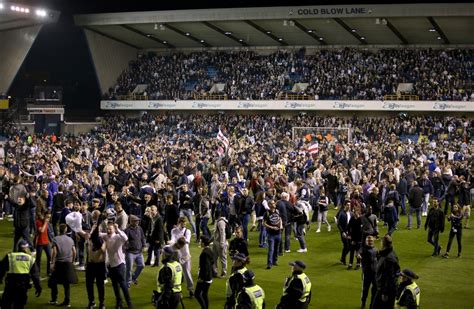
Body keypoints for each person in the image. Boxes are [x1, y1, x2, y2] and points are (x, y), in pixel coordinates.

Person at [0, 240, 41, 309]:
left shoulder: (10, 256)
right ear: (26, 248)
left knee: (6, 305)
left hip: (10, 285)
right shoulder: (30, 259)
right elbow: (35, 275)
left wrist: (0, 279)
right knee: (19, 305)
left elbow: (1, 269)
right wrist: (38, 287)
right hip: (22, 286)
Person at [101, 221, 134, 309]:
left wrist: (118, 229)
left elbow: (126, 237)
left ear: (114, 229)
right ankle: (119, 303)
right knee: (115, 286)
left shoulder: (118, 237)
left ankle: (129, 303)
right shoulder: (105, 236)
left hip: (120, 265)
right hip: (111, 265)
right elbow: (97, 234)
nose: (108, 230)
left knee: (123, 285)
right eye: (107, 228)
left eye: (110, 229)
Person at [49, 223, 78, 307]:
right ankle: (67, 301)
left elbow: (54, 251)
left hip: (59, 263)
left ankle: (54, 299)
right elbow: (74, 251)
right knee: (66, 284)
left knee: (53, 282)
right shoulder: (70, 239)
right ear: (66, 230)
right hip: (68, 263)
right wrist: (72, 261)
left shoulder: (55, 239)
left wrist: (52, 262)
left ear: (59, 230)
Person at [372, 235, 400, 309]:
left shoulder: (388, 258)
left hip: (386, 290)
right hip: (386, 288)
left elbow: (390, 276)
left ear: (383, 243)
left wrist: (385, 292)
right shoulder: (390, 253)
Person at [170, 217, 194, 297]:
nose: (184, 225)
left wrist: (178, 241)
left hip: (185, 256)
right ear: (179, 222)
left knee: (187, 273)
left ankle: (190, 289)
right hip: (176, 256)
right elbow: (172, 240)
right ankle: (177, 291)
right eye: (182, 223)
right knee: (175, 274)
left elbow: (187, 241)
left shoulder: (188, 231)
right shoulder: (174, 231)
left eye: (185, 223)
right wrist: (178, 240)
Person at [85, 222, 107, 309]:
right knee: (89, 284)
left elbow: (103, 251)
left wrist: (99, 243)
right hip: (90, 264)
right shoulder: (89, 239)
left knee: (100, 284)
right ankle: (91, 302)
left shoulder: (102, 240)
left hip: (100, 265)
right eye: (93, 228)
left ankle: (102, 303)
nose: (93, 229)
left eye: (96, 228)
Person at [124, 215, 146, 286]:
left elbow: (142, 237)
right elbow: (125, 241)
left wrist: (144, 245)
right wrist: (128, 246)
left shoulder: (140, 228)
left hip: (139, 252)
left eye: (138, 220)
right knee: (129, 268)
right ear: (131, 221)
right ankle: (128, 282)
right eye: (136, 221)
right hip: (130, 252)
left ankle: (133, 278)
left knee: (141, 265)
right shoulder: (127, 230)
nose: (137, 222)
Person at [357, 235, 378, 309]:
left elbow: (379, 259)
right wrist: (359, 255)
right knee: (365, 289)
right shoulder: (363, 249)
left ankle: (373, 303)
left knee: (375, 288)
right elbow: (359, 253)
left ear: (373, 241)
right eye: (368, 241)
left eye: (371, 241)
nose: (370, 242)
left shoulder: (376, 250)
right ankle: (363, 303)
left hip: (375, 273)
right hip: (366, 273)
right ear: (366, 242)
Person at [195, 235, 214, 309]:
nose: (199, 242)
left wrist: (201, 278)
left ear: (203, 242)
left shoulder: (204, 253)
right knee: (204, 294)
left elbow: (205, 267)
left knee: (197, 294)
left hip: (205, 277)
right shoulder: (209, 250)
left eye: (200, 241)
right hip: (209, 276)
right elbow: (212, 262)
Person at [263, 200, 282, 269]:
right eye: (272, 203)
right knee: (271, 249)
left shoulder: (277, 211)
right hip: (271, 234)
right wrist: (272, 227)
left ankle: (275, 261)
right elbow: (264, 223)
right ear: (269, 205)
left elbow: (280, 219)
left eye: (274, 203)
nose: (274, 204)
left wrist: (281, 226)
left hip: (278, 233)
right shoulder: (267, 213)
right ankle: (269, 264)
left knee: (276, 249)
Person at [213, 210, 228, 278]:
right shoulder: (218, 221)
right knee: (214, 257)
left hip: (221, 242)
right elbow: (216, 233)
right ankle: (215, 271)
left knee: (223, 258)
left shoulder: (221, 222)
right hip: (216, 242)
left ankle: (224, 272)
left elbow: (223, 233)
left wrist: (222, 243)